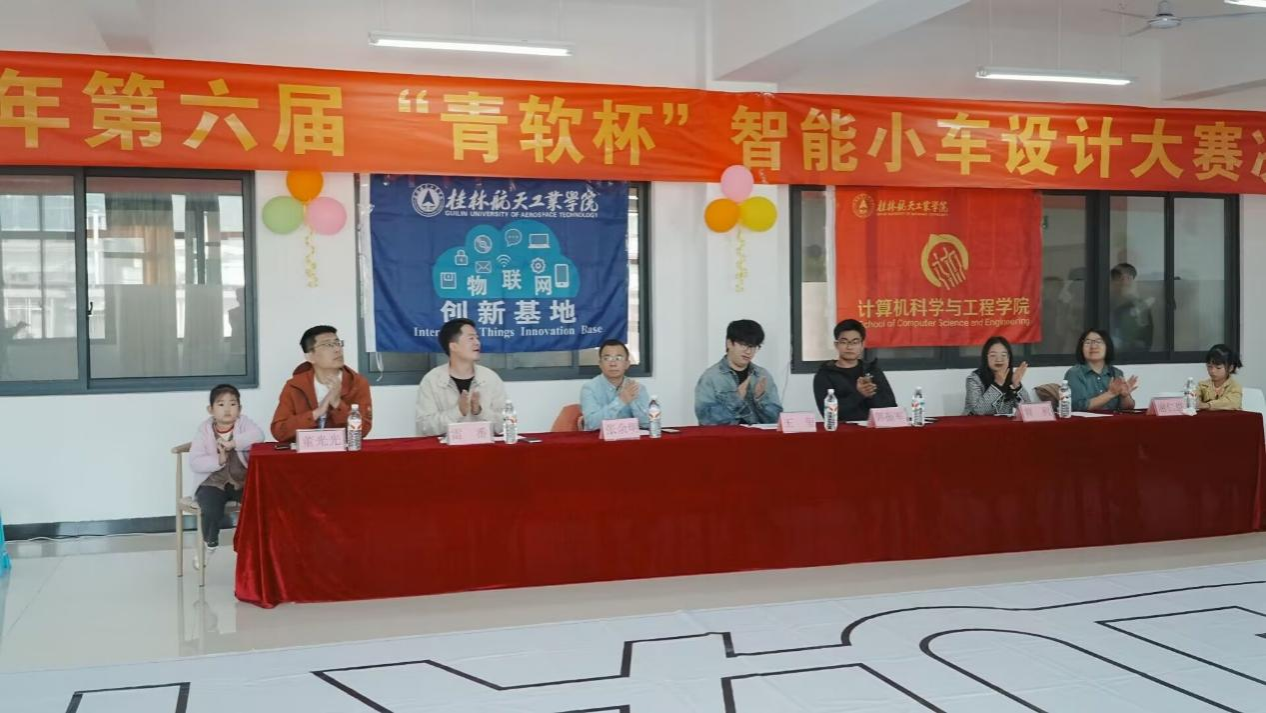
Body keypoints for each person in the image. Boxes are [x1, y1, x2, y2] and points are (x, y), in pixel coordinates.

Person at [188, 384, 264, 563]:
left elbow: (259, 435)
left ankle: (252, 545)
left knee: (258, 502)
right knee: (210, 508)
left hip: (241, 480)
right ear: (211, 410)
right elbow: (195, 461)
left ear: (240, 409)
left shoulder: (243, 423)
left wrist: (233, 443)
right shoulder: (204, 430)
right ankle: (209, 542)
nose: (228, 409)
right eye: (221, 404)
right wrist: (219, 460)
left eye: (233, 404)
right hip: (212, 482)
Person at [271, 325, 374, 443]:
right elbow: (279, 431)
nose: (337, 349)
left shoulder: (357, 383)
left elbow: (363, 430)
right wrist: (317, 413)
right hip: (306, 453)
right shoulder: (295, 386)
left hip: (343, 453)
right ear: (310, 356)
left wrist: (337, 403)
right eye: (328, 345)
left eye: (338, 343)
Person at [416, 318, 508, 436]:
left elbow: (506, 424)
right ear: (454, 346)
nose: (477, 343)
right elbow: (424, 427)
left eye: (477, 338)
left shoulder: (490, 378)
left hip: (484, 446)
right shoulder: (432, 380)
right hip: (446, 447)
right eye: (471, 338)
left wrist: (480, 411)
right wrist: (457, 411)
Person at [695, 319, 783, 425]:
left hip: (756, 435)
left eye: (753, 346)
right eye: (743, 345)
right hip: (725, 436)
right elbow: (706, 420)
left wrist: (759, 399)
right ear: (729, 343)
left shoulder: (762, 375)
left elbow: (776, 419)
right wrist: (737, 398)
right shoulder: (711, 377)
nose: (748, 351)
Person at [813, 319, 896, 421]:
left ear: (862, 345)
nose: (849, 347)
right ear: (836, 345)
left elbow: (891, 407)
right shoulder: (825, 374)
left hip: (873, 428)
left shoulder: (872, 370)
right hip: (843, 430)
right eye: (844, 342)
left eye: (855, 342)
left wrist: (870, 393)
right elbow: (828, 413)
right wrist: (859, 394)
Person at [580, 338, 650, 430]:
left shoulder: (638, 388)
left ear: (627, 364)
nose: (613, 363)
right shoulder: (589, 388)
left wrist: (632, 401)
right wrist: (621, 401)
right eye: (607, 358)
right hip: (599, 438)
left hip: (630, 438)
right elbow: (591, 424)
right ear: (600, 364)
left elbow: (648, 423)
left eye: (618, 358)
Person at [1064, 328, 1138, 412]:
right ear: (1081, 348)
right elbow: (1078, 406)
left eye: (1098, 342)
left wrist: (1125, 396)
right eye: (1088, 342)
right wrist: (1110, 394)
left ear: (1107, 347)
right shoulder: (1074, 374)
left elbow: (1128, 408)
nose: (1093, 346)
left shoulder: (1116, 373)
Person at [963, 336, 1033, 415]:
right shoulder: (974, 379)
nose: (999, 359)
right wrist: (997, 384)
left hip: (1003, 423)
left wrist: (1017, 386)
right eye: (993, 355)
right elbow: (976, 412)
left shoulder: (1011, 378)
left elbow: (1028, 410)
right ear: (986, 358)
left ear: (1009, 358)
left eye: (1003, 355)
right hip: (975, 422)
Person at [1109, 263, 1154, 352]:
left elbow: (1145, 341)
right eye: (1119, 278)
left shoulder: (1141, 307)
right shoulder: (1103, 304)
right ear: (1112, 282)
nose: (1124, 282)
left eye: (1128, 278)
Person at [1196, 344, 1244, 411]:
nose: (1212, 371)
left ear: (1230, 368)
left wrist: (1207, 405)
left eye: (1218, 368)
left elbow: (1233, 403)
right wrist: (1195, 400)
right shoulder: (1202, 385)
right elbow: (1194, 397)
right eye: (1209, 366)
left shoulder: (1235, 386)